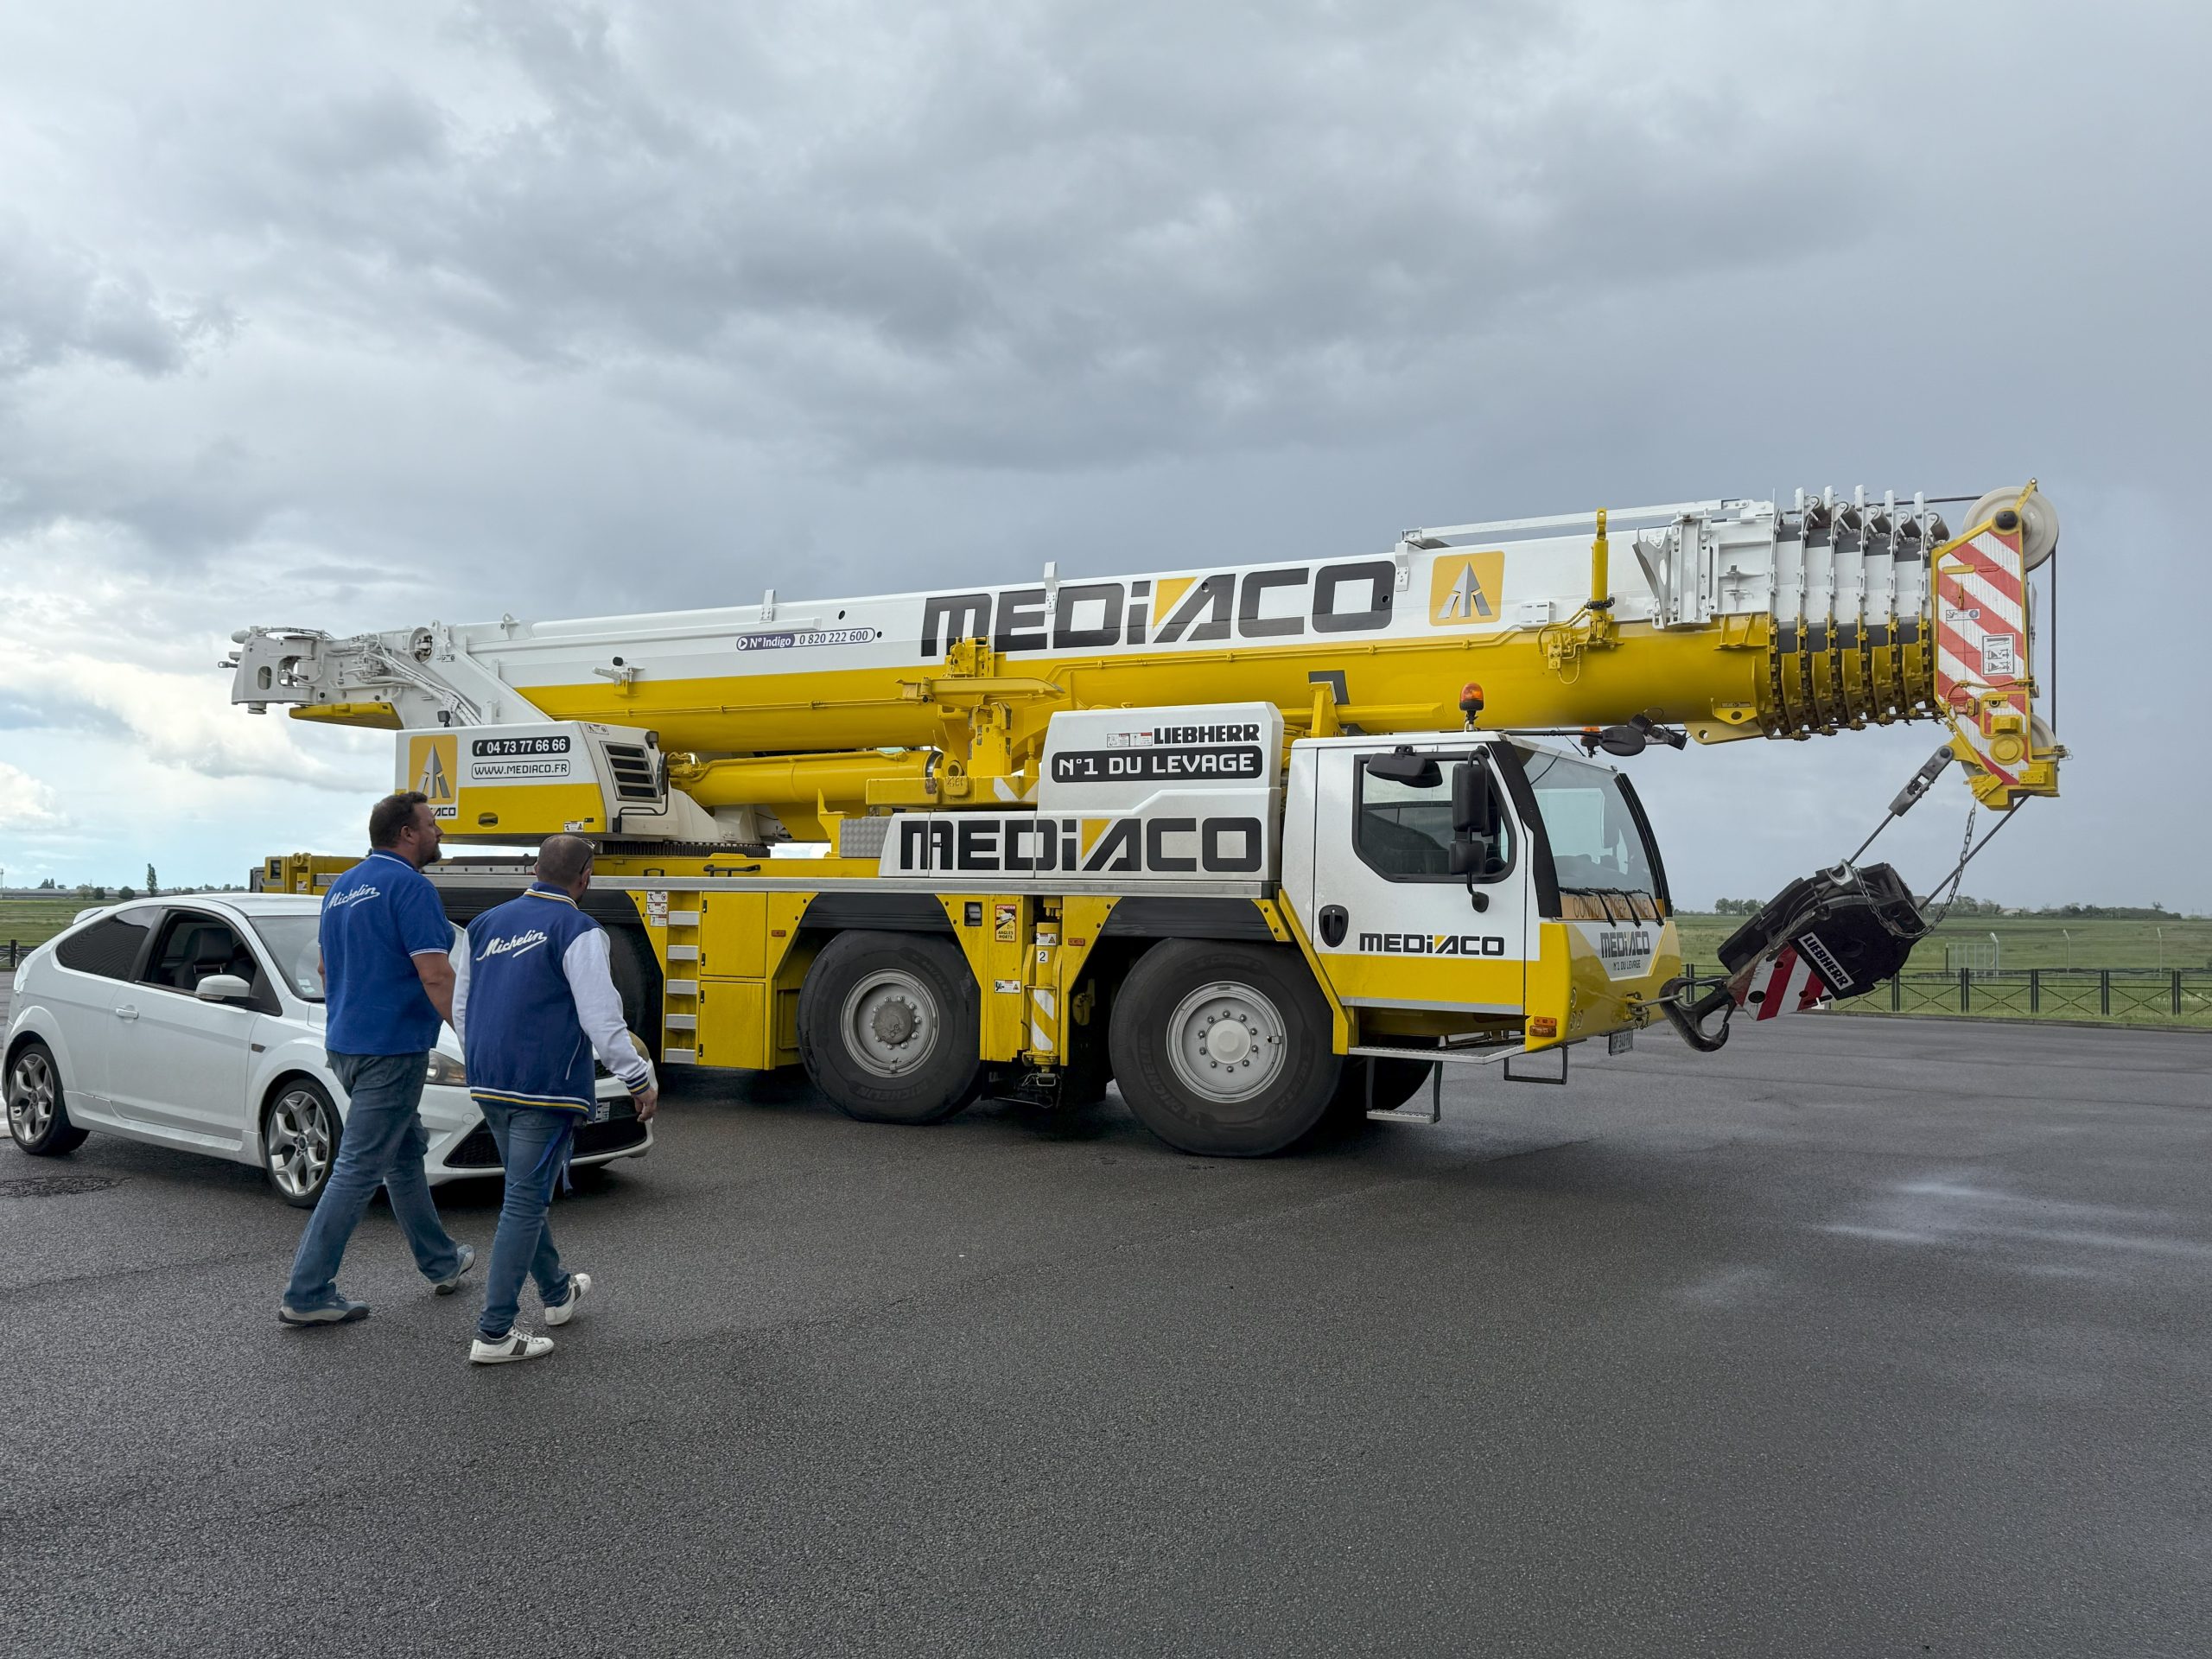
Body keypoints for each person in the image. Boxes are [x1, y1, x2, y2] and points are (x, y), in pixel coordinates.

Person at [452, 834, 658, 1364]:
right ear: (585, 876)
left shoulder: (483, 924)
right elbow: (602, 1020)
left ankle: (557, 1293)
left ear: (535, 867)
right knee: (524, 1202)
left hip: (490, 1080)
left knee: (526, 1190)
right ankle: (494, 1333)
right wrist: (637, 1077)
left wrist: (480, 1063)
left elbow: (463, 1005)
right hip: (544, 1085)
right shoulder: (578, 929)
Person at [279, 791, 474, 1325]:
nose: (439, 834)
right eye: (432, 826)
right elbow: (435, 973)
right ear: (407, 834)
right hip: (392, 1049)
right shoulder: (410, 888)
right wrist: (475, 1039)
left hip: (345, 1044)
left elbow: (324, 971)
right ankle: (307, 1291)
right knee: (359, 1167)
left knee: (403, 1149)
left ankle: (441, 1262)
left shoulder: (342, 888)